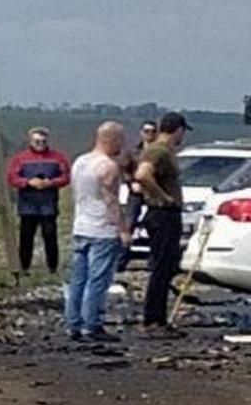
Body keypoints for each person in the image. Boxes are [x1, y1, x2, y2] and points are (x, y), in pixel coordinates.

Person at [65, 122, 131, 343]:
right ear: (111, 139)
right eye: (120, 140)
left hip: (81, 225)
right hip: (102, 228)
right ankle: (91, 324)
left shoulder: (80, 162)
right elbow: (111, 202)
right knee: (98, 280)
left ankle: (73, 322)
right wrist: (123, 229)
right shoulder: (108, 167)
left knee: (78, 279)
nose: (122, 145)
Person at [135, 112, 191, 339]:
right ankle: (153, 319)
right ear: (178, 130)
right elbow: (143, 175)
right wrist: (164, 197)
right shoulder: (158, 150)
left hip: (166, 213)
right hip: (162, 213)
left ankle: (158, 318)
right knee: (161, 267)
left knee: (167, 266)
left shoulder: (163, 151)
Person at [6, 127, 71, 273]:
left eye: (43, 141)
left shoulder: (58, 157)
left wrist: (51, 183)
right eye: (37, 141)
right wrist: (28, 182)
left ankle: (53, 267)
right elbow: (12, 177)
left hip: (48, 204)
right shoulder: (20, 158)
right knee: (26, 237)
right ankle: (24, 267)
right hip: (27, 205)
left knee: (50, 236)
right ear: (30, 141)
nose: (40, 144)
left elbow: (66, 177)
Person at [116, 120, 157, 271]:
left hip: (154, 194)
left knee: (154, 226)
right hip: (136, 193)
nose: (149, 134)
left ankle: (153, 262)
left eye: (152, 131)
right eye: (146, 131)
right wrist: (131, 182)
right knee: (129, 224)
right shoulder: (133, 152)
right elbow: (124, 168)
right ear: (141, 133)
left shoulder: (160, 152)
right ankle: (121, 260)